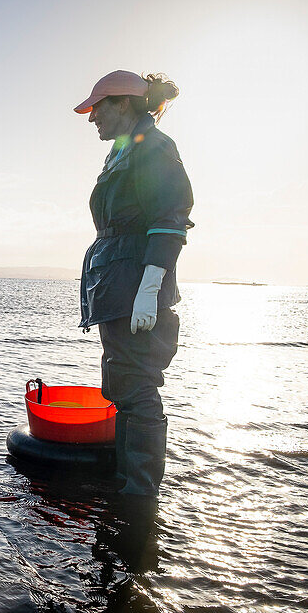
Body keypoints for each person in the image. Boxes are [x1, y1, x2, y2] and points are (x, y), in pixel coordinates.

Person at [74, 70, 193, 497]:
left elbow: (171, 218)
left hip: (136, 288)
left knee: (139, 388)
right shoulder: (125, 150)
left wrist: (150, 286)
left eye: (98, 107)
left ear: (123, 103)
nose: (92, 118)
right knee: (122, 383)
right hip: (119, 286)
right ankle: (124, 482)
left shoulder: (155, 148)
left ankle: (140, 497)